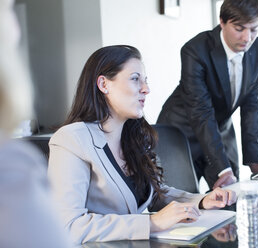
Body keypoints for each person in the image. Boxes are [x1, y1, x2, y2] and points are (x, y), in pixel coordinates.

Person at [47, 45, 237, 245]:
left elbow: (154, 194)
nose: (146, 89)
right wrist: (151, 223)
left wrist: (200, 201)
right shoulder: (71, 139)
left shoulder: (135, 138)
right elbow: (68, 226)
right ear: (104, 84)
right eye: (135, 78)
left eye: (145, 81)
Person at [157, 0, 258, 190]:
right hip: (181, 133)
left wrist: (253, 161)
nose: (247, 38)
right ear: (222, 21)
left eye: (254, 30)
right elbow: (200, 111)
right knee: (184, 207)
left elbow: (252, 105)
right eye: (239, 28)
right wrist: (223, 169)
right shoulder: (195, 50)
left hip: (220, 130)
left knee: (230, 198)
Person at [0, 0, 73, 247]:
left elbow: (156, 190)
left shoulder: (136, 135)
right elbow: (72, 223)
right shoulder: (11, 168)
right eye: (9, 8)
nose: (146, 89)